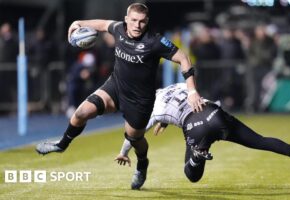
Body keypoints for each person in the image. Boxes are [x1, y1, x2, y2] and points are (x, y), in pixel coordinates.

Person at [36, 2, 204, 189]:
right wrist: (79, 22)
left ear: (147, 21)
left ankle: (142, 164)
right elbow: (101, 24)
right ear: (126, 20)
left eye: (142, 21)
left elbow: (184, 58)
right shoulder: (119, 29)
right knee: (82, 112)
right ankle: (62, 144)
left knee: (135, 139)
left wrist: (192, 90)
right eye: (133, 20)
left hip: (140, 101)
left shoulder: (155, 41)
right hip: (115, 87)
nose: (137, 25)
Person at [115, 83, 290, 188]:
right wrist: (165, 120)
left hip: (195, 125)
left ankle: (198, 155)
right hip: (215, 113)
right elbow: (182, 99)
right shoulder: (176, 87)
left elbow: (133, 135)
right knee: (261, 141)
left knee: (192, 175)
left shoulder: (150, 108)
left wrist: (123, 152)